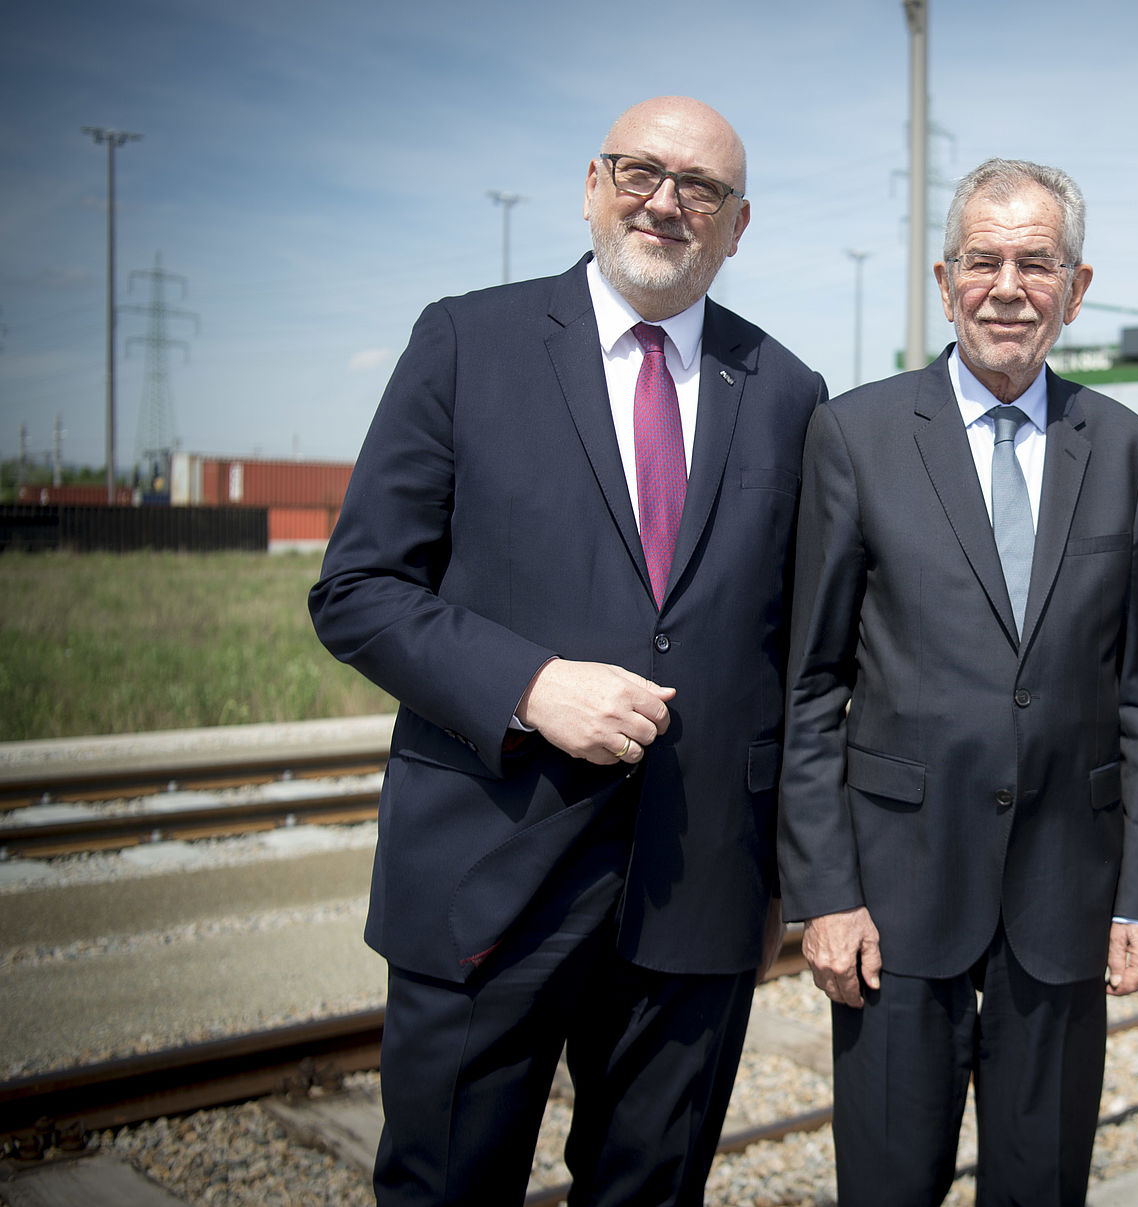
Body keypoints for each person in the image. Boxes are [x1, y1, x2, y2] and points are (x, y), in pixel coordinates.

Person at [308, 97, 827, 1206]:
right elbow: (358, 589)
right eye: (641, 171)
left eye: (702, 188)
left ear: (738, 226)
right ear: (593, 185)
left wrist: (788, 874)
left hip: (697, 892)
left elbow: (798, 651)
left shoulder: (789, 392)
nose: (666, 202)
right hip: (489, 873)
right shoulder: (467, 342)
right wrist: (531, 684)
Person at [778, 158, 1138, 1205]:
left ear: (1076, 288)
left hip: (1065, 896)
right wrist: (826, 893)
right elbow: (812, 683)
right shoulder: (855, 434)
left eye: (1036, 263)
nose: (1008, 287)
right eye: (983, 260)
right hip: (893, 899)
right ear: (944, 278)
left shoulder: (1128, 449)